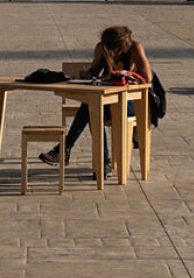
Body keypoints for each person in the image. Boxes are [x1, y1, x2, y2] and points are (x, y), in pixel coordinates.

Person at [39, 25, 152, 178]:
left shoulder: (134, 49)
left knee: (92, 108)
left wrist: (125, 76)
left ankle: (68, 149)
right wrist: (87, 74)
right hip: (107, 100)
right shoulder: (102, 48)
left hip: (130, 101)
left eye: (114, 47)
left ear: (122, 44)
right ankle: (100, 162)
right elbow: (95, 70)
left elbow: (147, 77)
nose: (112, 51)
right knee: (93, 108)